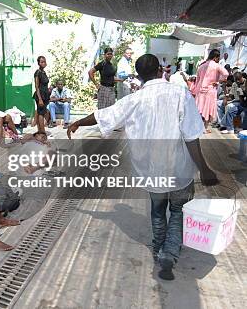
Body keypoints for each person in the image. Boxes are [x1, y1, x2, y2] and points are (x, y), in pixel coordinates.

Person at [67, 54, 219, 281]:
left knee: (158, 211)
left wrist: (78, 121)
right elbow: (191, 137)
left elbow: (103, 115)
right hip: (179, 169)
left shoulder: (135, 99)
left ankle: (159, 250)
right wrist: (204, 169)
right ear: (160, 70)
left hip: (153, 171)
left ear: (138, 75)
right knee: (178, 211)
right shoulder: (181, 94)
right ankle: (170, 253)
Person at [190, 49, 229, 133]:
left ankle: (198, 127)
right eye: (218, 58)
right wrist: (218, 81)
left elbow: (198, 79)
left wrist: (196, 90)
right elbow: (226, 73)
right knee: (208, 110)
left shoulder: (202, 65)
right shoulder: (216, 65)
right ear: (215, 57)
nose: (218, 60)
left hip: (200, 90)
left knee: (199, 109)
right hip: (210, 90)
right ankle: (204, 128)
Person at [33, 55, 51, 132]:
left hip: (45, 95)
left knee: (43, 113)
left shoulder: (44, 72)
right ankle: (42, 132)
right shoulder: (37, 72)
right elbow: (36, 87)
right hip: (40, 96)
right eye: (42, 62)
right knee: (41, 114)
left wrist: (49, 89)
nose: (44, 63)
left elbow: (44, 85)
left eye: (44, 61)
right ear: (39, 63)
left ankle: (40, 131)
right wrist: (40, 99)